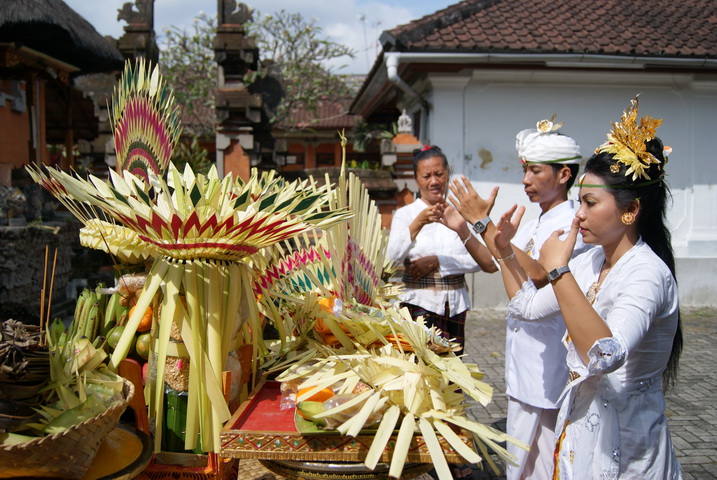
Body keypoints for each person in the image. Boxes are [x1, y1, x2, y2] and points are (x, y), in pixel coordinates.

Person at [477, 97, 683, 478]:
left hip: (628, 444)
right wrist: (505, 252)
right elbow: (525, 306)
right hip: (579, 432)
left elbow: (605, 355)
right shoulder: (591, 261)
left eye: (589, 202)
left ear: (630, 210)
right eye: (580, 202)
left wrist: (558, 270)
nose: (580, 214)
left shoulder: (646, 273)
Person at [449, 117, 590, 480]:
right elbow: (507, 259)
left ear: (564, 175)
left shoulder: (572, 222)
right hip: (525, 362)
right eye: (524, 171)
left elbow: (542, 273)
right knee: (520, 466)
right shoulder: (534, 223)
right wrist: (477, 229)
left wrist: (486, 224)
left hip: (550, 365)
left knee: (545, 465)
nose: (525, 180)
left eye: (535, 171)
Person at [386, 145, 497, 357]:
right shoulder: (405, 214)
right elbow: (390, 262)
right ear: (417, 179)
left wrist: (439, 261)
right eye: (426, 176)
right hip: (417, 305)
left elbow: (481, 259)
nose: (434, 181)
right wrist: (416, 224)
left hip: (455, 306)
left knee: (453, 374)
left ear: (447, 173)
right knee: (420, 373)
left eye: (439, 174)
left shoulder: (461, 213)